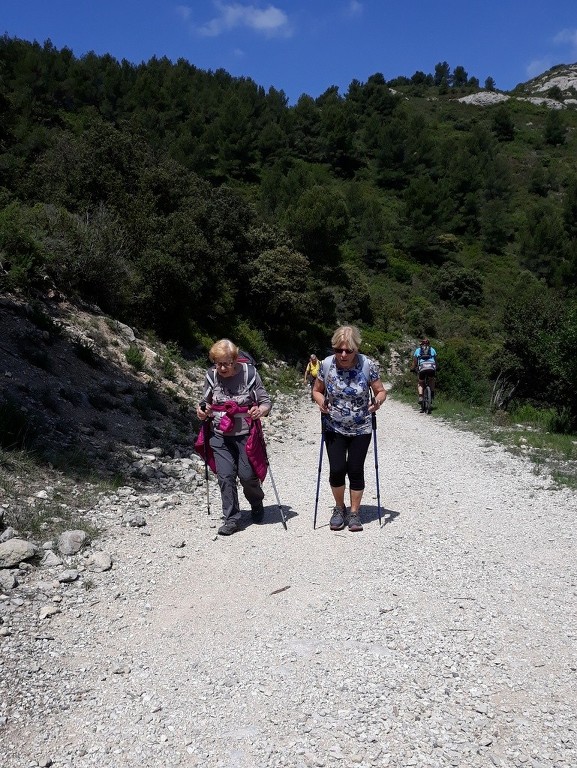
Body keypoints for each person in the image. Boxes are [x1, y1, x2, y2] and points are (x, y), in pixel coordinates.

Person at [313, 325, 386, 532]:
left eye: (348, 350)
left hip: (361, 427)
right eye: (338, 350)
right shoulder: (326, 364)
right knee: (336, 469)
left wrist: (377, 401)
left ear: (356, 349)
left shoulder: (367, 365)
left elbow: (380, 391)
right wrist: (320, 401)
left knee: (355, 469)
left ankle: (354, 512)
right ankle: (339, 508)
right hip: (333, 426)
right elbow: (316, 391)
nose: (343, 355)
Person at [196, 339, 272, 536]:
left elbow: (265, 402)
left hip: (245, 433)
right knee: (225, 475)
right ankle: (231, 519)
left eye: (226, 363)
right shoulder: (211, 376)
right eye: (217, 363)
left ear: (235, 360)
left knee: (247, 476)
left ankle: (256, 502)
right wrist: (203, 411)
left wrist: (260, 410)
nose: (221, 368)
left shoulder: (249, 374)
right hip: (219, 434)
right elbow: (205, 402)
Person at [410, 337, 437, 412]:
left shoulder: (418, 350)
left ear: (421, 344)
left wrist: (413, 368)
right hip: (431, 367)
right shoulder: (432, 350)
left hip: (422, 367)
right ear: (429, 344)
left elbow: (415, 362)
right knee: (432, 379)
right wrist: (437, 367)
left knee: (420, 382)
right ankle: (431, 392)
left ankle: (421, 396)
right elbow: (435, 360)